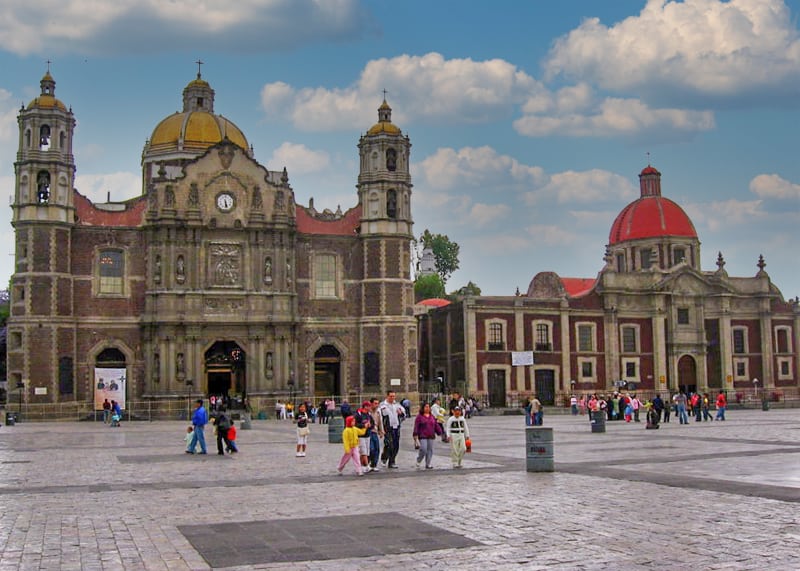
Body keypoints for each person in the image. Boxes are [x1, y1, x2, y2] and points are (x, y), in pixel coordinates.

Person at [380, 390, 405, 469]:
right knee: (389, 444)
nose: (392, 398)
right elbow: (380, 416)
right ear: (387, 396)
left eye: (393, 396)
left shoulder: (397, 405)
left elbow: (404, 414)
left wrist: (401, 413)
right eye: (391, 396)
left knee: (396, 445)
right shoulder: (382, 405)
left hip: (396, 427)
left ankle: (392, 461)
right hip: (387, 427)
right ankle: (384, 456)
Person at [413, 402, 443, 470]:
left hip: (431, 435)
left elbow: (436, 425)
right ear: (423, 408)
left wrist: (440, 432)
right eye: (426, 407)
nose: (427, 408)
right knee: (423, 449)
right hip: (422, 435)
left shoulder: (432, 416)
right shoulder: (419, 417)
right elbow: (416, 426)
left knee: (430, 450)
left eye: (428, 407)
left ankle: (428, 463)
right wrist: (415, 434)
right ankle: (419, 460)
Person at [354, 401, 372, 467]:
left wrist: (370, 425)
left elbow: (372, 423)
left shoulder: (369, 414)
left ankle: (360, 466)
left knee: (366, 452)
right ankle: (367, 466)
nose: (370, 407)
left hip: (367, 435)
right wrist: (363, 425)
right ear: (365, 407)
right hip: (360, 436)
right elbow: (355, 424)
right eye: (369, 406)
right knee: (363, 451)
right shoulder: (358, 415)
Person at [367, 398, 384, 472]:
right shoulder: (368, 412)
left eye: (378, 403)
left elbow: (380, 422)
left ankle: (374, 464)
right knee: (371, 449)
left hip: (375, 431)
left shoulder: (378, 412)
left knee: (377, 449)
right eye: (375, 403)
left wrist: (381, 431)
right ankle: (367, 463)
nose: (377, 405)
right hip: (368, 432)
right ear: (371, 404)